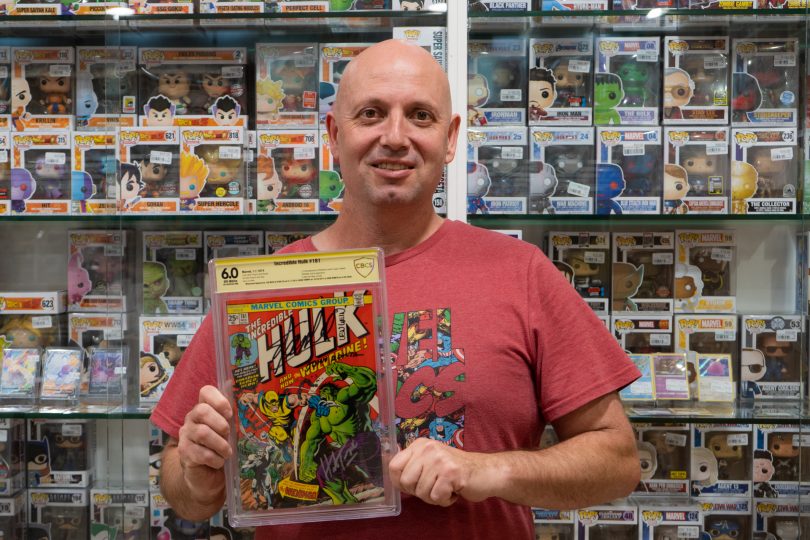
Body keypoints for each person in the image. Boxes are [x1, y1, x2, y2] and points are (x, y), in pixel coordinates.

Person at [151, 39, 640, 540]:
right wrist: (198, 472)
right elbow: (184, 492)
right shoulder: (262, 290)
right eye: (371, 113)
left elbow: (618, 461)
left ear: (450, 139)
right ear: (334, 135)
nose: (395, 136)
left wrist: (488, 471)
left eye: (421, 116)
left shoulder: (521, 271)